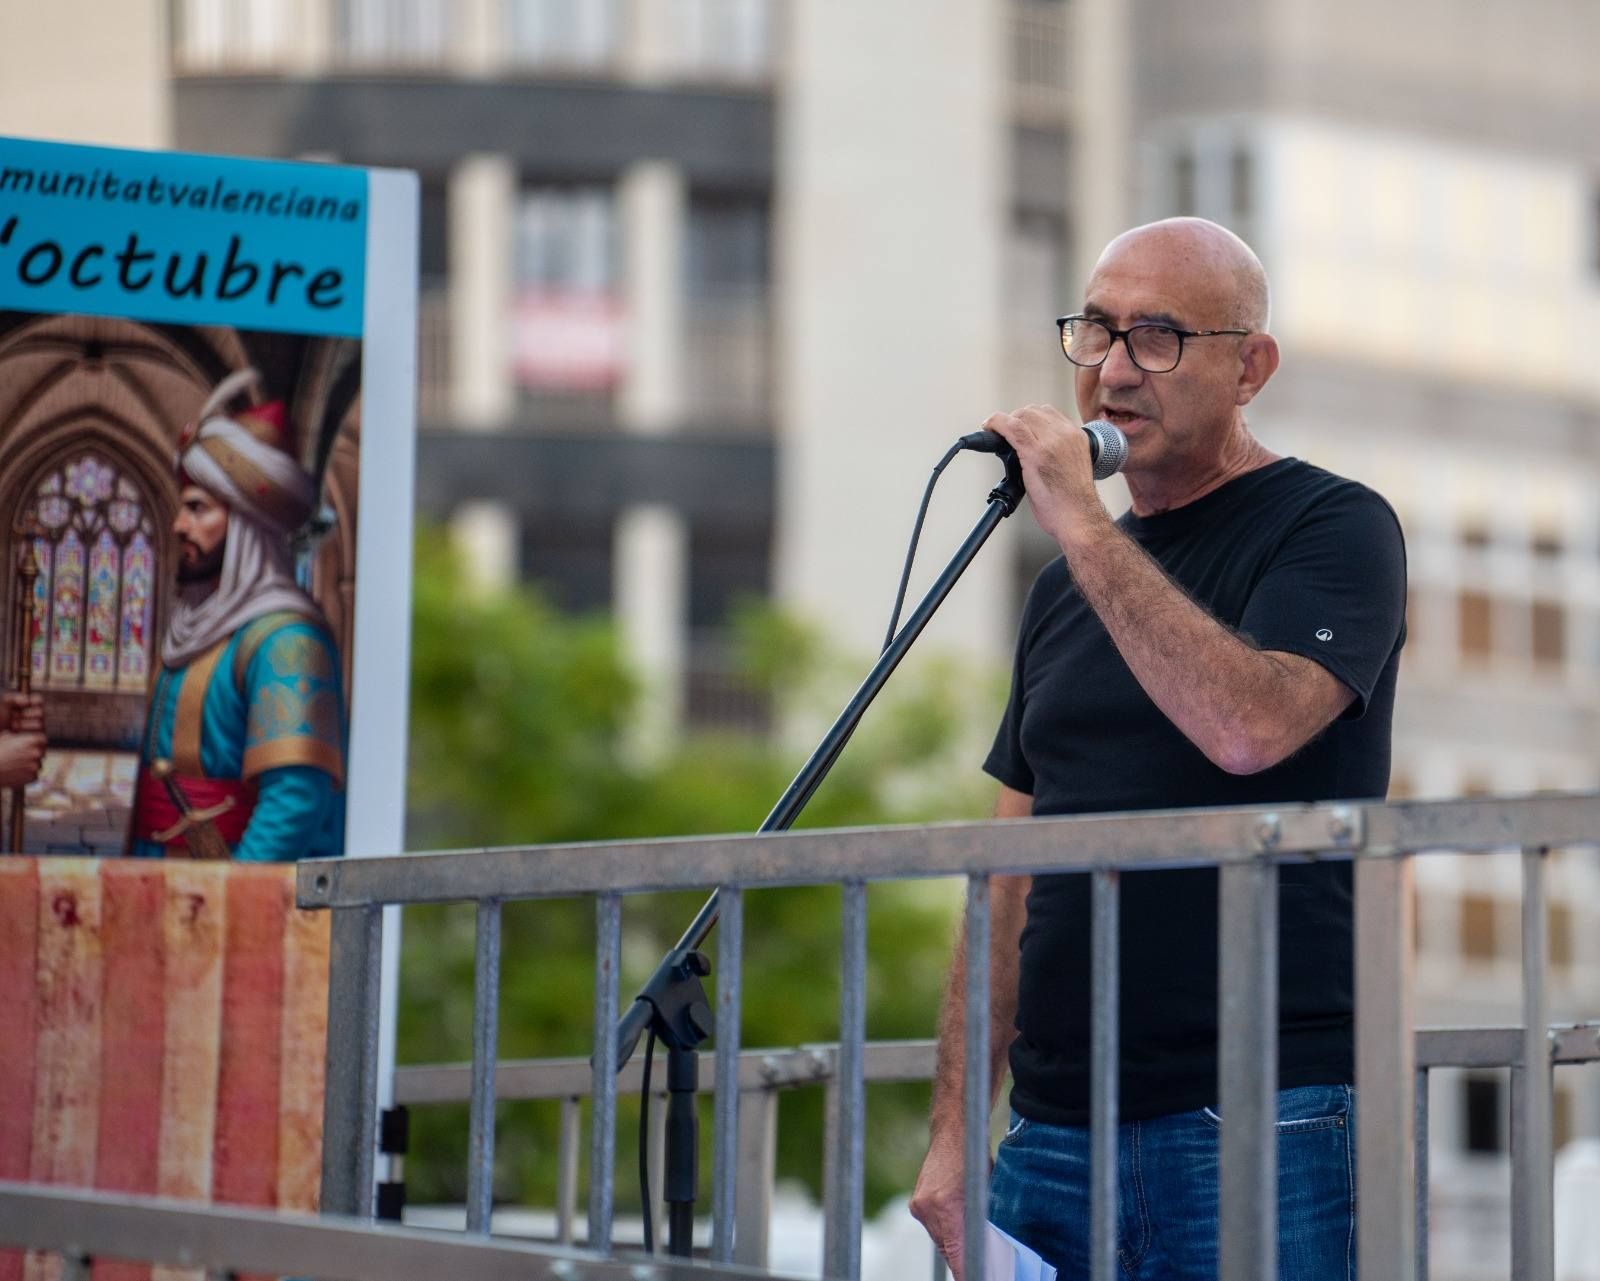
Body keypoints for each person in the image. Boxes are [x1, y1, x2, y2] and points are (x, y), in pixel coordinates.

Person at [910, 217, 1406, 1279]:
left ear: (1249, 368)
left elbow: (1248, 728)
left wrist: (1084, 527)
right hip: (1050, 1131)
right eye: (1095, 331)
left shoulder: (1334, 526)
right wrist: (954, 1130)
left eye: (1158, 336)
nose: (1114, 368)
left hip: (1259, 1112)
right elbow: (1005, 877)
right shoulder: (1063, 591)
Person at [127, 368, 346, 861]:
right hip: (162, 870)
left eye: (198, 508)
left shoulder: (288, 640)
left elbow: (294, 802)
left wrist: (234, 891)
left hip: (220, 885)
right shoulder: (200, 628)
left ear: (248, 526)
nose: (179, 525)